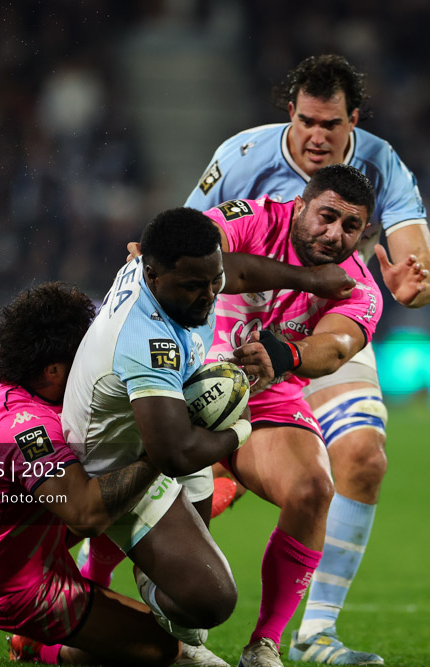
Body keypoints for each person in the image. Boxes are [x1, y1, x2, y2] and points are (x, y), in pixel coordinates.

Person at [184, 54, 430, 665]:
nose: (318, 136)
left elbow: (418, 269)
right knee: (193, 457)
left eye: (333, 125)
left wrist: (416, 285)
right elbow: (188, 237)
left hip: (321, 319)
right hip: (230, 321)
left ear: (354, 120)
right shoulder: (244, 155)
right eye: (307, 121)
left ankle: (314, 634)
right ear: (289, 112)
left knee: (362, 457)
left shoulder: (382, 166)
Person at [61, 208, 356, 665]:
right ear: (153, 275)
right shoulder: (148, 340)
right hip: (112, 465)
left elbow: (239, 269)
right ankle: (91, 637)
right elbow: (175, 454)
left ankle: (171, 627)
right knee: (208, 602)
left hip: (147, 432)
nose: (209, 296)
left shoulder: (178, 279)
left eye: (213, 281)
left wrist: (311, 280)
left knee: (197, 610)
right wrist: (241, 429)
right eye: (194, 286)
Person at [0, 282, 217, 666]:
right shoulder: (24, 430)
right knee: (162, 648)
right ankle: (42, 646)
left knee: (111, 468)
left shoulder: (8, 368)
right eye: (81, 356)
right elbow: (87, 515)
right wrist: (163, 451)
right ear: (53, 371)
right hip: (12, 584)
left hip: (14, 533)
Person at [195, 164, 383, 667]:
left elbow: (337, 345)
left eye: (350, 227)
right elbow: (199, 252)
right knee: (107, 492)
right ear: (300, 206)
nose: (334, 233)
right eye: (326, 216)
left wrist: (287, 356)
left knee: (313, 489)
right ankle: (79, 600)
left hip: (264, 396)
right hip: (179, 378)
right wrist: (303, 279)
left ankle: (265, 643)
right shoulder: (256, 219)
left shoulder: (359, 287)